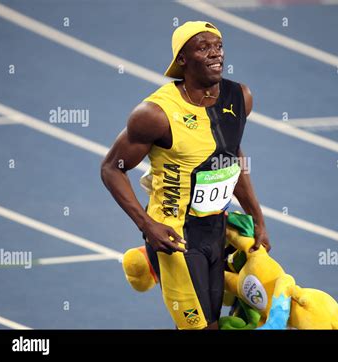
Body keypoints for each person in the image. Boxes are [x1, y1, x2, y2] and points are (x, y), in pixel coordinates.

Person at [101, 21, 270, 330]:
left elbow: (232, 155)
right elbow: (112, 168)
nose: (215, 54)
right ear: (182, 60)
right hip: (174, 237)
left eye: (218, 46)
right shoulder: (155, 114)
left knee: (213, 322)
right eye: (203, 48)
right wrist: (147, 225)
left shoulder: (239, 97)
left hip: (215, 231)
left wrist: (256, 216)